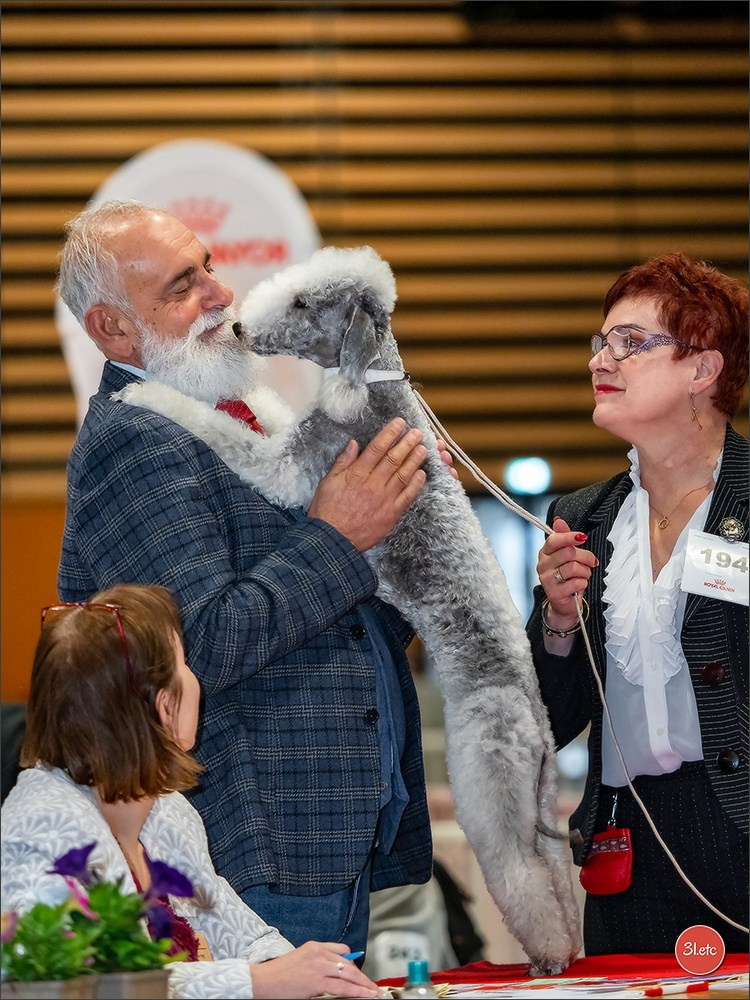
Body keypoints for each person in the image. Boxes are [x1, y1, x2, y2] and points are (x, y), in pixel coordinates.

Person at [55, 199, 452, 954]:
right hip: (253, 840)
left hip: (324, 831)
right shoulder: (135, 439)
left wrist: (393, 519)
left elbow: (335, 613)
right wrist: (338, 534)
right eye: (181, 286)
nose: (219, 294)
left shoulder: (246, 415)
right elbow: (195, 647)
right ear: (111, 328)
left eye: (208, 266)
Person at [1, 585, 381, 999]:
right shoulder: (43, 824)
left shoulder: (166, 809)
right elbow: (85, 987)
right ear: (165, 706)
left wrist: (305, 972)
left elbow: (235, 928)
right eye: (184, 662)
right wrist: (262, 982)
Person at [527, 252, 748, 955]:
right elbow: (550, 723)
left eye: (631, 342)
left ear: (702, 371)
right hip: (626, 841)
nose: (602, 358)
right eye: (601, 342)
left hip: (737, 823)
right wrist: (559, 622)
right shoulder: (584, 516)